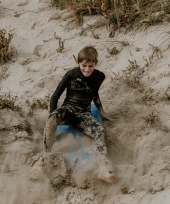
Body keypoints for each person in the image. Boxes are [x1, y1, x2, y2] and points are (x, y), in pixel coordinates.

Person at [43, 45, 116, 183]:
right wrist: (53, 118)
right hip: (68, 110)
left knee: (99, 132)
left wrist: (101, 110)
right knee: (52, 119)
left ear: (96, 64)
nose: (87, 69)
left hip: (83, 114)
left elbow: (94, 93)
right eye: (84, 66)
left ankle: (103, 170)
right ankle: (46, 157)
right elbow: (55, 97)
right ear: (78, 63)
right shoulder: (71, 74)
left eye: (90, 66)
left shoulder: (100, 76)